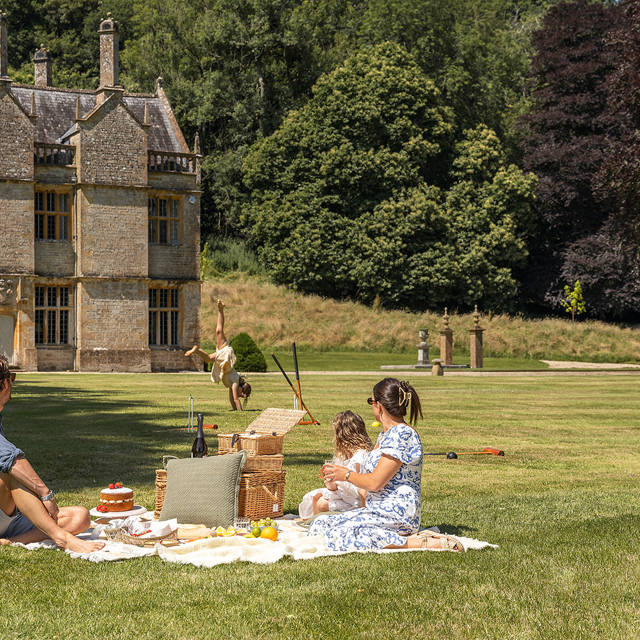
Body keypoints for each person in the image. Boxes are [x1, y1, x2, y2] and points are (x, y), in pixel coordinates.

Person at [309, 377, 463, 552]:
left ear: (379, 406)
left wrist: (345, 475)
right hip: (377, 510)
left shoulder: (402, 434)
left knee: (338, 536)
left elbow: (376, 482)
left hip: (398, 512)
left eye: (371, 402)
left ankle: (419, 542)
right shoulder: (385, 435)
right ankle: (396, 538)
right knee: (320, 524)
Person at [0, 355, 104, 553]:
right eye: (12, 378)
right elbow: (9, 457)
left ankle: (11, 541)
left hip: (9, 516)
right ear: (5, 383)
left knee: (80, 516)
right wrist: (45, 493)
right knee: (9, 472)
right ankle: (61, 537)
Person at [298, 410, 372, 518]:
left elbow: (362, 491)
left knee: (322, 503)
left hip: (357, 502)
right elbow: (338, 487)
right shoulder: (343, 455)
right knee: (313, 496)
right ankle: (312, 523)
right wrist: (331, 483)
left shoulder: (360, 458)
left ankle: (319, 524)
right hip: (345, 496)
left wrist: (339, 483)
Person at [185, 299, 251, 411]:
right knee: (219, 331)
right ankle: (220, 310)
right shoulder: (235, 383)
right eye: (241, 393)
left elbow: (232, 399)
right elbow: (235, 399)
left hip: (224, 361)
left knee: (208, 358)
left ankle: (196, 350)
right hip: (226, 354)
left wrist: (234, 409)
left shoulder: (233, 385)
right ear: (241, 388)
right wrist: (241, 412)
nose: (238, 394)